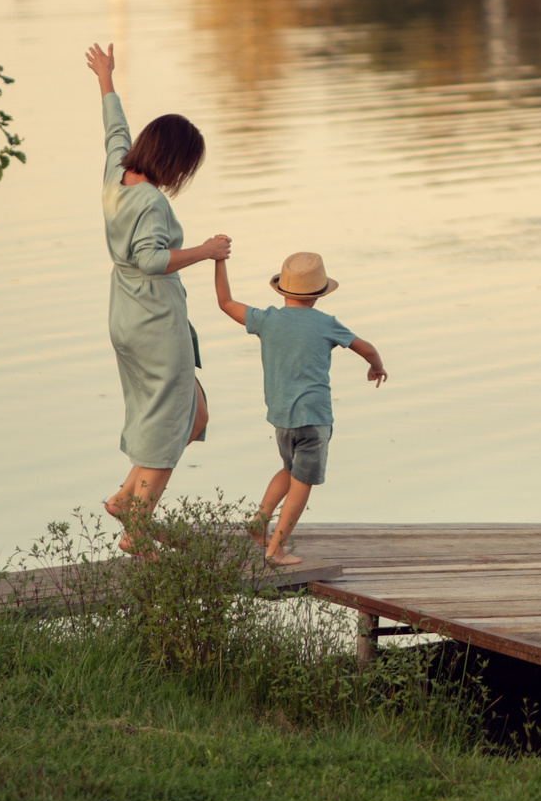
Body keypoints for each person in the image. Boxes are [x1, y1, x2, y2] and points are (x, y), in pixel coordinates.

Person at [86, 43, 229, 548]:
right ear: (173, 160)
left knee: (193, 411)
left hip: (127, 312)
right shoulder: (148, 201)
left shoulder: (117, 174)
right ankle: (137, 526)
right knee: (170, 419)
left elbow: (114, 130)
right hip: (151, 317)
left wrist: (106, 79)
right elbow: (150, 259)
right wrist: (206, 250)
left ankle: (126, 498)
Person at [212, 249, 386, 566]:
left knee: (291, 471)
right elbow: (367, 347)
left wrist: (218, 260)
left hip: (281, 419)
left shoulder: (266, 319)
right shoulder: (326, 324)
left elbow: (225, 302)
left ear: (283, 289)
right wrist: (376, 367)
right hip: (314, 419)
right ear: (318, 294)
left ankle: (259, 518)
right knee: (302, 484)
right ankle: (275, 549)